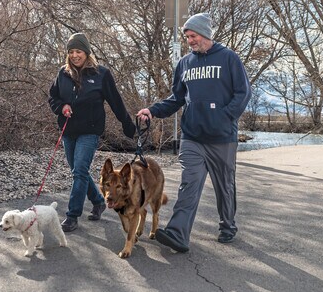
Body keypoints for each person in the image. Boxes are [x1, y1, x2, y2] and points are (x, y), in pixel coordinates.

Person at [137, 13, 251, 252]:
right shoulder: (185, 64)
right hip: (193, 137)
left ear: (206, 34)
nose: (190, 40)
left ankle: (228, 226)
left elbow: (243, 93)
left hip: (222, 139)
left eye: (193, 35)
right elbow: (176, 98)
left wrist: (224, 116)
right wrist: (152, 110)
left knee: (225, 186)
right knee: (189, 184)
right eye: (187, 36)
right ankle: (178, 234)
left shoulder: (228, 58)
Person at [49, 32, 136, 232]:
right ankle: (98, 201)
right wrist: (61, 107)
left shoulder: (101, 74)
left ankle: (72, 216)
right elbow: (52, 97)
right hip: (68, 130)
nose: (74, 55)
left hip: (90, 130)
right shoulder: (62, 73)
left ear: (87, 53)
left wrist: (127, 124)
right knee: (78, 171)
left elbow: (116, 101)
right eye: (71, 52)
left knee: (79, 170)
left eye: (78, 51)